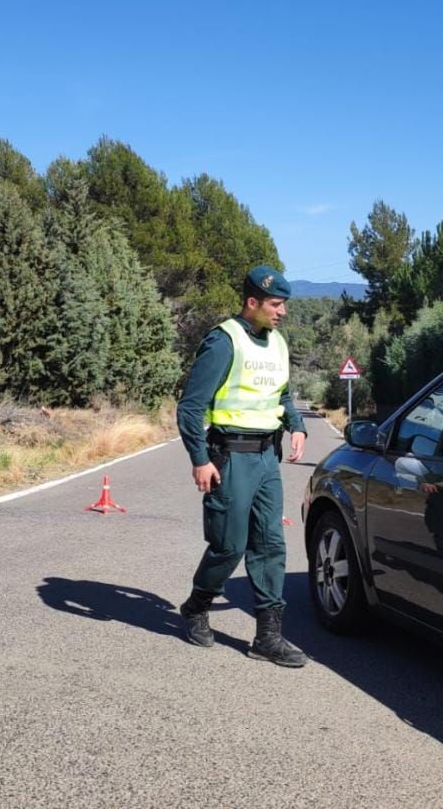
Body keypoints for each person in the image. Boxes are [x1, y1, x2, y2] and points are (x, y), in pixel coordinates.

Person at [175, 265, 309, 667]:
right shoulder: (223, 341)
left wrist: (297, 425)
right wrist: (200, 459)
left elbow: (281, 394)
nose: (281, 312)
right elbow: (191, 406)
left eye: (284, 304)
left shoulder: (278, 343)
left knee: (270, 544)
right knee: (229, 544)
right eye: (275, 304)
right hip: (230, 456)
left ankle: (267, 637)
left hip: (268, 457)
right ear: (252, 302)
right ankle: (196, 606)